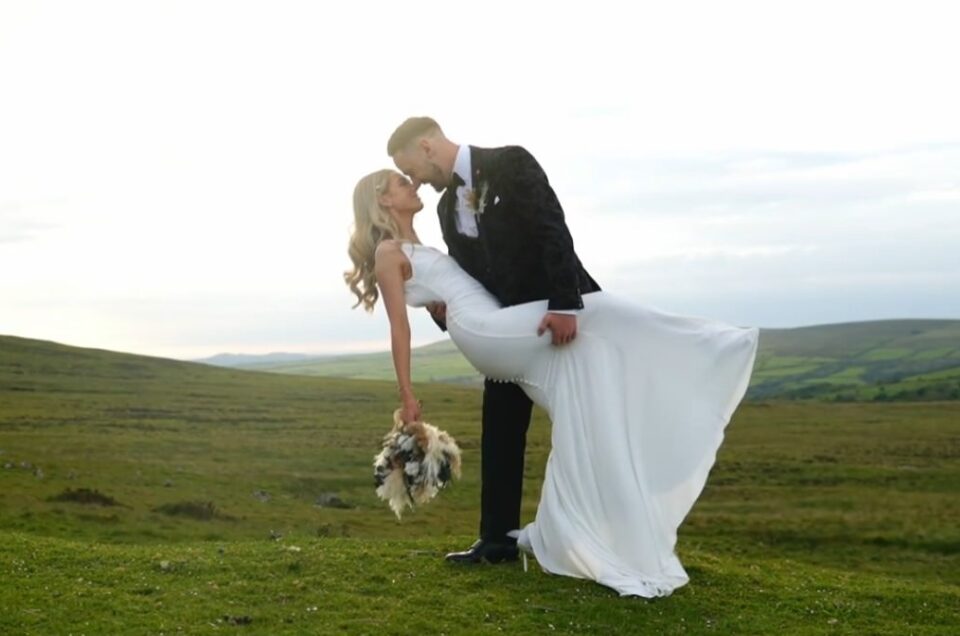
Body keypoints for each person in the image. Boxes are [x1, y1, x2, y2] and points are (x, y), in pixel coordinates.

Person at [345, 163, 759, 597]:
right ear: (384, 200)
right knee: (594, 312)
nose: (410, 183)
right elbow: (399, 329)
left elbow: (449, 288)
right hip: (484, 328)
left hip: (490, 320)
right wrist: (407, 395)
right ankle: (713, 344)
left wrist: (438, 301)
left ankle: (592, 528)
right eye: (399, 181)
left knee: (590, 374)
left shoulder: (417, 245)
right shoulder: (388, 253)